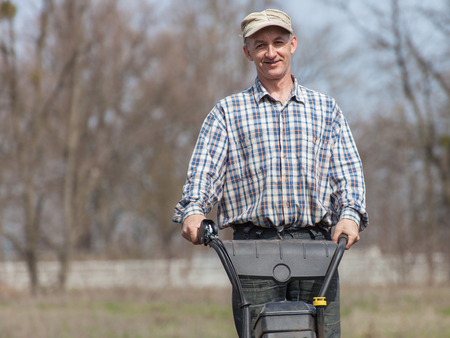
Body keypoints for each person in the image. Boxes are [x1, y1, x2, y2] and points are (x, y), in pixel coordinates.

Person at [173, 8, 368, 338]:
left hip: (317, 251)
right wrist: (194, 213)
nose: (270, 52)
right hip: (252, 253)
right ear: (247, 52)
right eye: (260, 44)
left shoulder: (326, 110)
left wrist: (349, 216)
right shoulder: (227, 113)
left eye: (278, 42)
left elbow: (347, 175)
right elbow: (204, 174)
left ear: (293, 44)